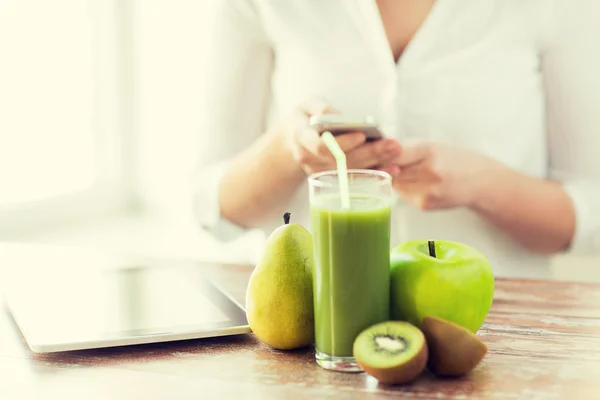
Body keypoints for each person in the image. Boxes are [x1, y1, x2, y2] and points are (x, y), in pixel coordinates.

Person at [192, 0, 600, 279]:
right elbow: (213, 207)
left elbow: (589, 217)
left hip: (500, 339)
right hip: (310, 334)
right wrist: (289, 150)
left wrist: (480, 184)